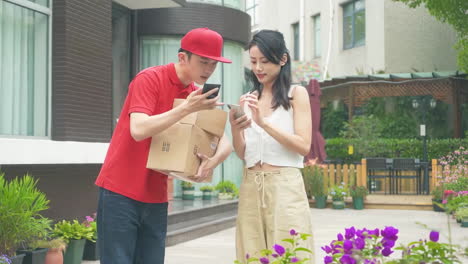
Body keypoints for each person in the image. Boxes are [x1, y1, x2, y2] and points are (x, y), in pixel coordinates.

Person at [95, 27, 233, 264]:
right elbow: (138, 129)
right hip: (120, 191)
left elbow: (224, 141)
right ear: (182, 57)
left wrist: (211, 162)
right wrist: (186, 109)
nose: (209, 70)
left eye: (214, 64)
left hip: (157, 196)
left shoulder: (195, 94)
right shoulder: (150, 79)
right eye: (203, 62)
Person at [229, 30, 315, 263]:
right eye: (254, 61)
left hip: (285, 185)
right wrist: (235, 127)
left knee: (289, 252)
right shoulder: (248, 98)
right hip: (250, 185)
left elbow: (303, 146)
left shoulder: (296, 94)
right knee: (251, 252)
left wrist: (264, 124)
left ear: (282, 59)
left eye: (265, 61)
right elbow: (243, 153)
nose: (258, 68)